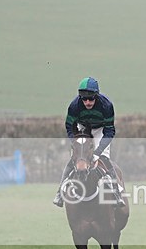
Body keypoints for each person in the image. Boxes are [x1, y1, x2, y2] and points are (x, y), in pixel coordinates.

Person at [53, 76, 125, 207]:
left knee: (104, 159)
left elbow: (110, 131)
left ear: (96, 96)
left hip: (100, 130)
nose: (87, 102)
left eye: (90, 99)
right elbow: (69, 126)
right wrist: (74, 141)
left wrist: (98, 152)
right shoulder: (74, 106)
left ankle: (117, 193)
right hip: (82, 130)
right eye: (84, 99)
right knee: (75, 158)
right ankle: (59, 193)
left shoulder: (106, 105)